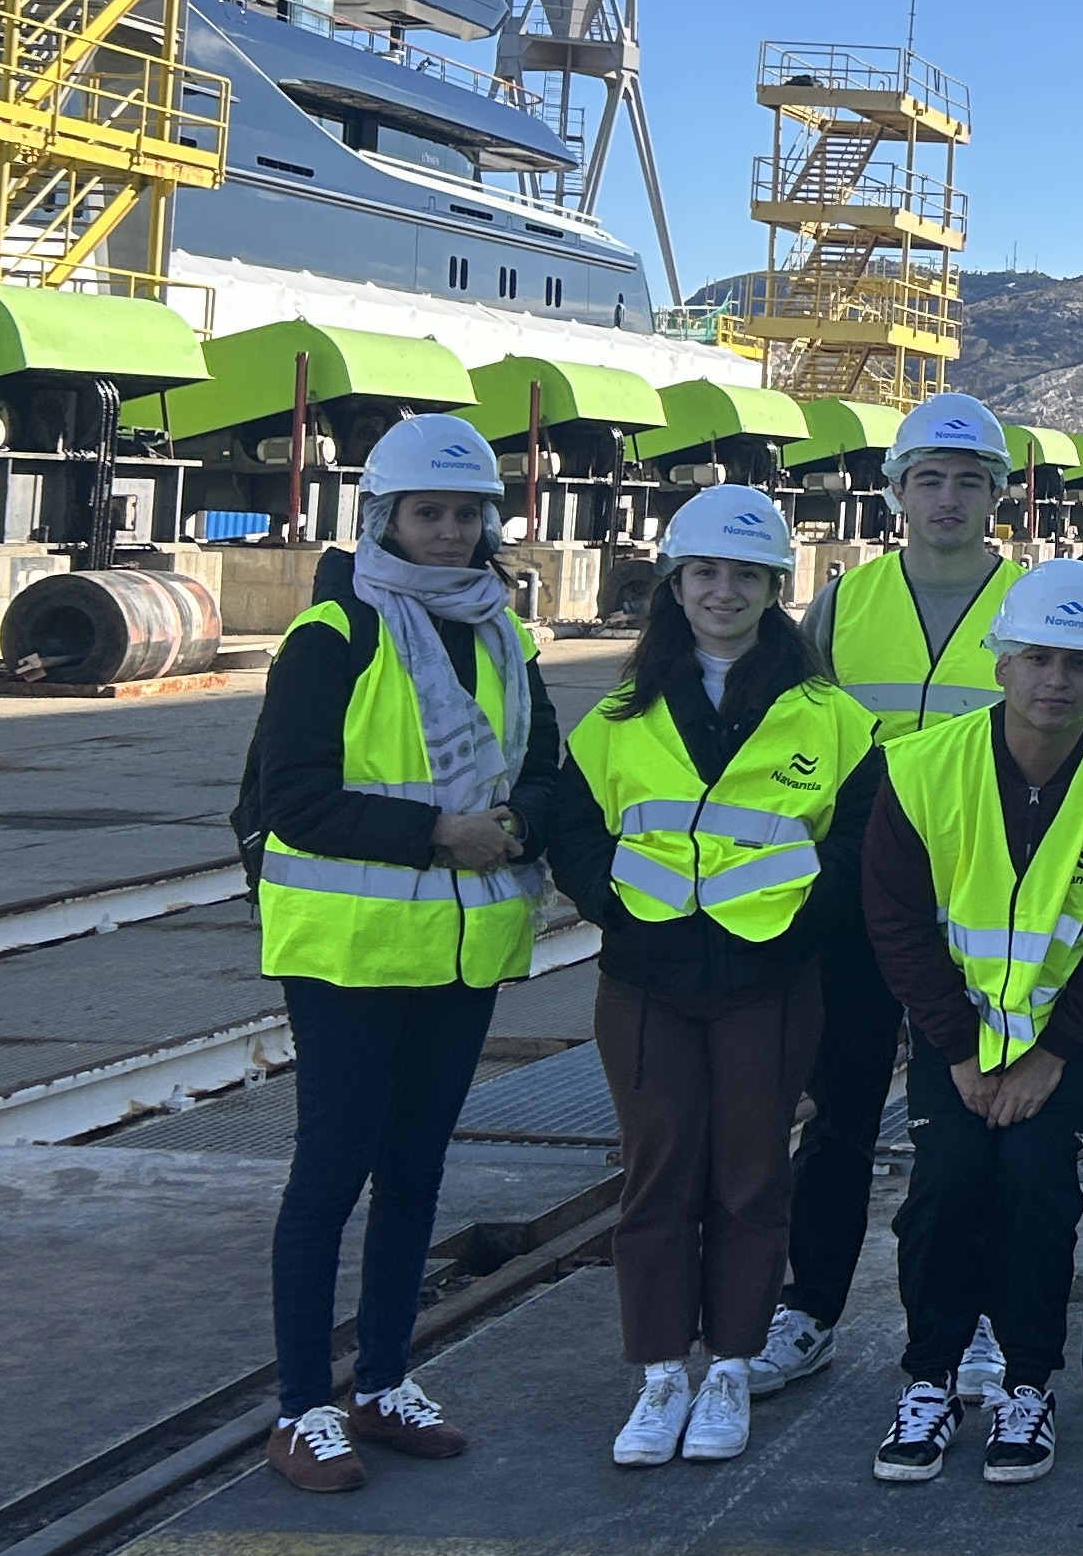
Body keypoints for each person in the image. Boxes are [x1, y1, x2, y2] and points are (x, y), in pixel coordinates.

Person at [240, 413, 564, 1492]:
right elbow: (290, 801)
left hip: (462, 950)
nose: (449, 532)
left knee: (417, 1168)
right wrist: (437, 834)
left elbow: (547, 766)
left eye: (468, 514)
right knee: (331, 1171)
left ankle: (381, 1381)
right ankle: (300, 1407)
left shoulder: (505, 635)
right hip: (349, 950)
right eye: (429, 512)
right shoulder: (332, 636)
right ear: (383, 516)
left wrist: (529, 819)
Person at [552, 485, 875, 1467]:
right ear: (675, 584)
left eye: (744, 575)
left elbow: (863, 844)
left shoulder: (830, 718)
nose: (723, 591)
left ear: (777, 587)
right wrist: (615, 905)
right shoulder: (620, 715)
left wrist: (796, 926)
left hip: (770, 983)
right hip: (646, 984)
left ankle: (730, 1367)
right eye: (705, 573)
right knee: (656, 1177)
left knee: (749, 1176)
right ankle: (660, 1378)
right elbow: (572, 826)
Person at [864, 562, 1083, 1485]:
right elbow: (894, 917)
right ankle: (929, 1379)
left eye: (1080, 663)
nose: (1057, 680)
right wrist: (962, 1051)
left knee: (1038, 1194)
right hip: (955, 1036)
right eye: (1038, 657)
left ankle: (1027, 1384)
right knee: (946, 1190)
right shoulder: (923, 769)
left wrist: (1051, 1053)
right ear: (1001, 663)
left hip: (1063, 1040)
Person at [756, 390, 1026, 1401]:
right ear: (897, 492)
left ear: (996, 496)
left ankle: (982, 1320)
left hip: (986, 891)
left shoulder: (1027, 604)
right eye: (929, 479)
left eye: (968, 480)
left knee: (974, 1120)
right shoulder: (844, 605)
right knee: (840, 1112)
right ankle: (810, 1307)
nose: (948, 498)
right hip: (858, 890)